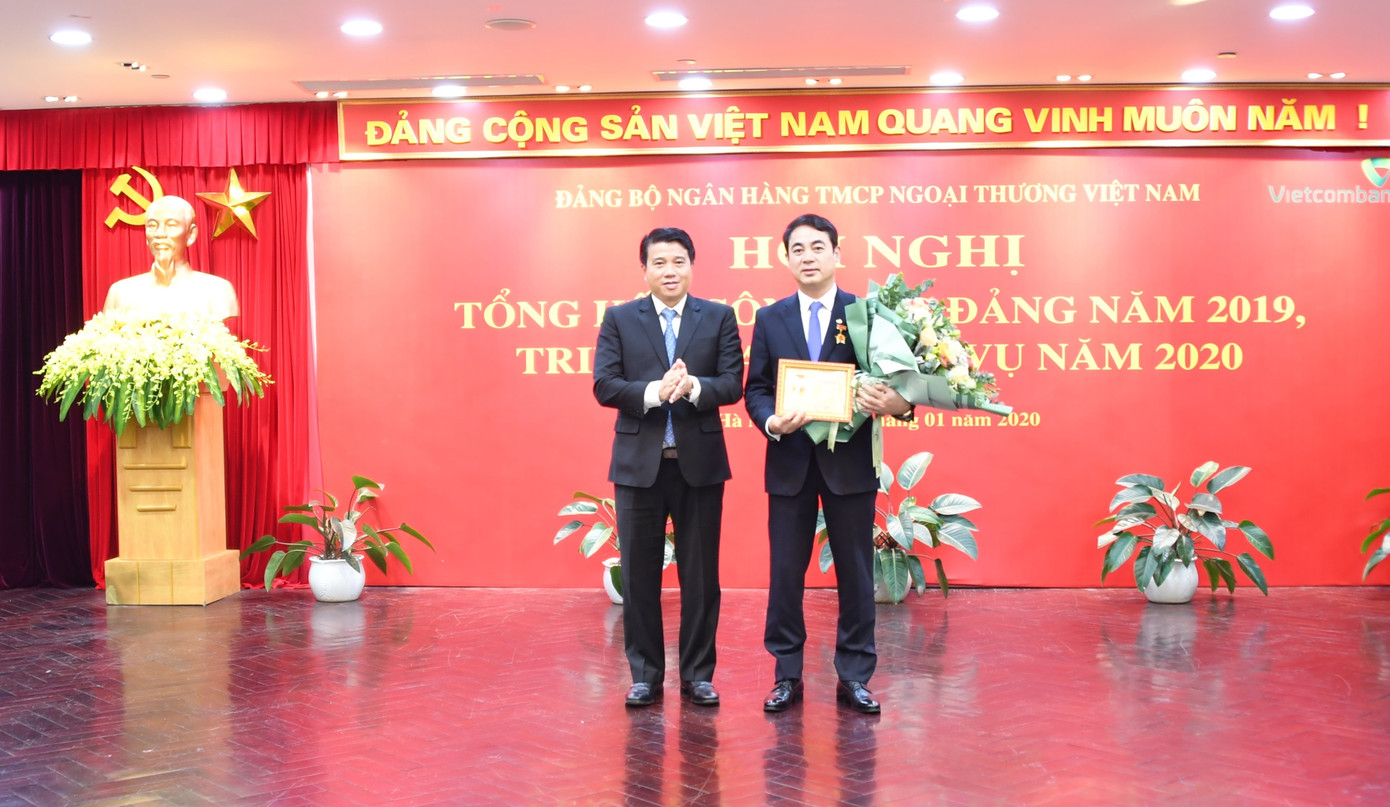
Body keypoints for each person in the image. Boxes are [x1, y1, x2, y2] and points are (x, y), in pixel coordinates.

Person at [744, 213, 913, 714]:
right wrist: (772, 422)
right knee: (785, 574)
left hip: (850, 466)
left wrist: (897, 404)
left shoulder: (865, 315)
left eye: (818, 247)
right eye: (798, 249)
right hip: (790, 464)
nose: (808, 257)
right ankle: (786, 675)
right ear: (786, 258)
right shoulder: (770, 318)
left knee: (857, 574)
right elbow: (756, 389)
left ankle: (855, 675)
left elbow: (901, 387)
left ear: (837, 254)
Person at [593, 227, 744, 708]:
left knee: (701, 577)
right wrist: (654, 392)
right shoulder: (619, 319)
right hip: (639, 467)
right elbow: (604, 384)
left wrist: (694, 387)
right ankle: (645, 675)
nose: (670, 270)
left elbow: (733, 383)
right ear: (645, 270)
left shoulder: (718, 317)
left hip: (699, 466)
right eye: (659, 262)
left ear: (691, 266)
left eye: (679, 261)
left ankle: (698, 675)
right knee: (639, 577)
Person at [103, 195, 239, 320]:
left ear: (191, 235)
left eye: (171, 225)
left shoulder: (218, 290)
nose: (160, 234)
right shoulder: (120, 292)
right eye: (152, 225)